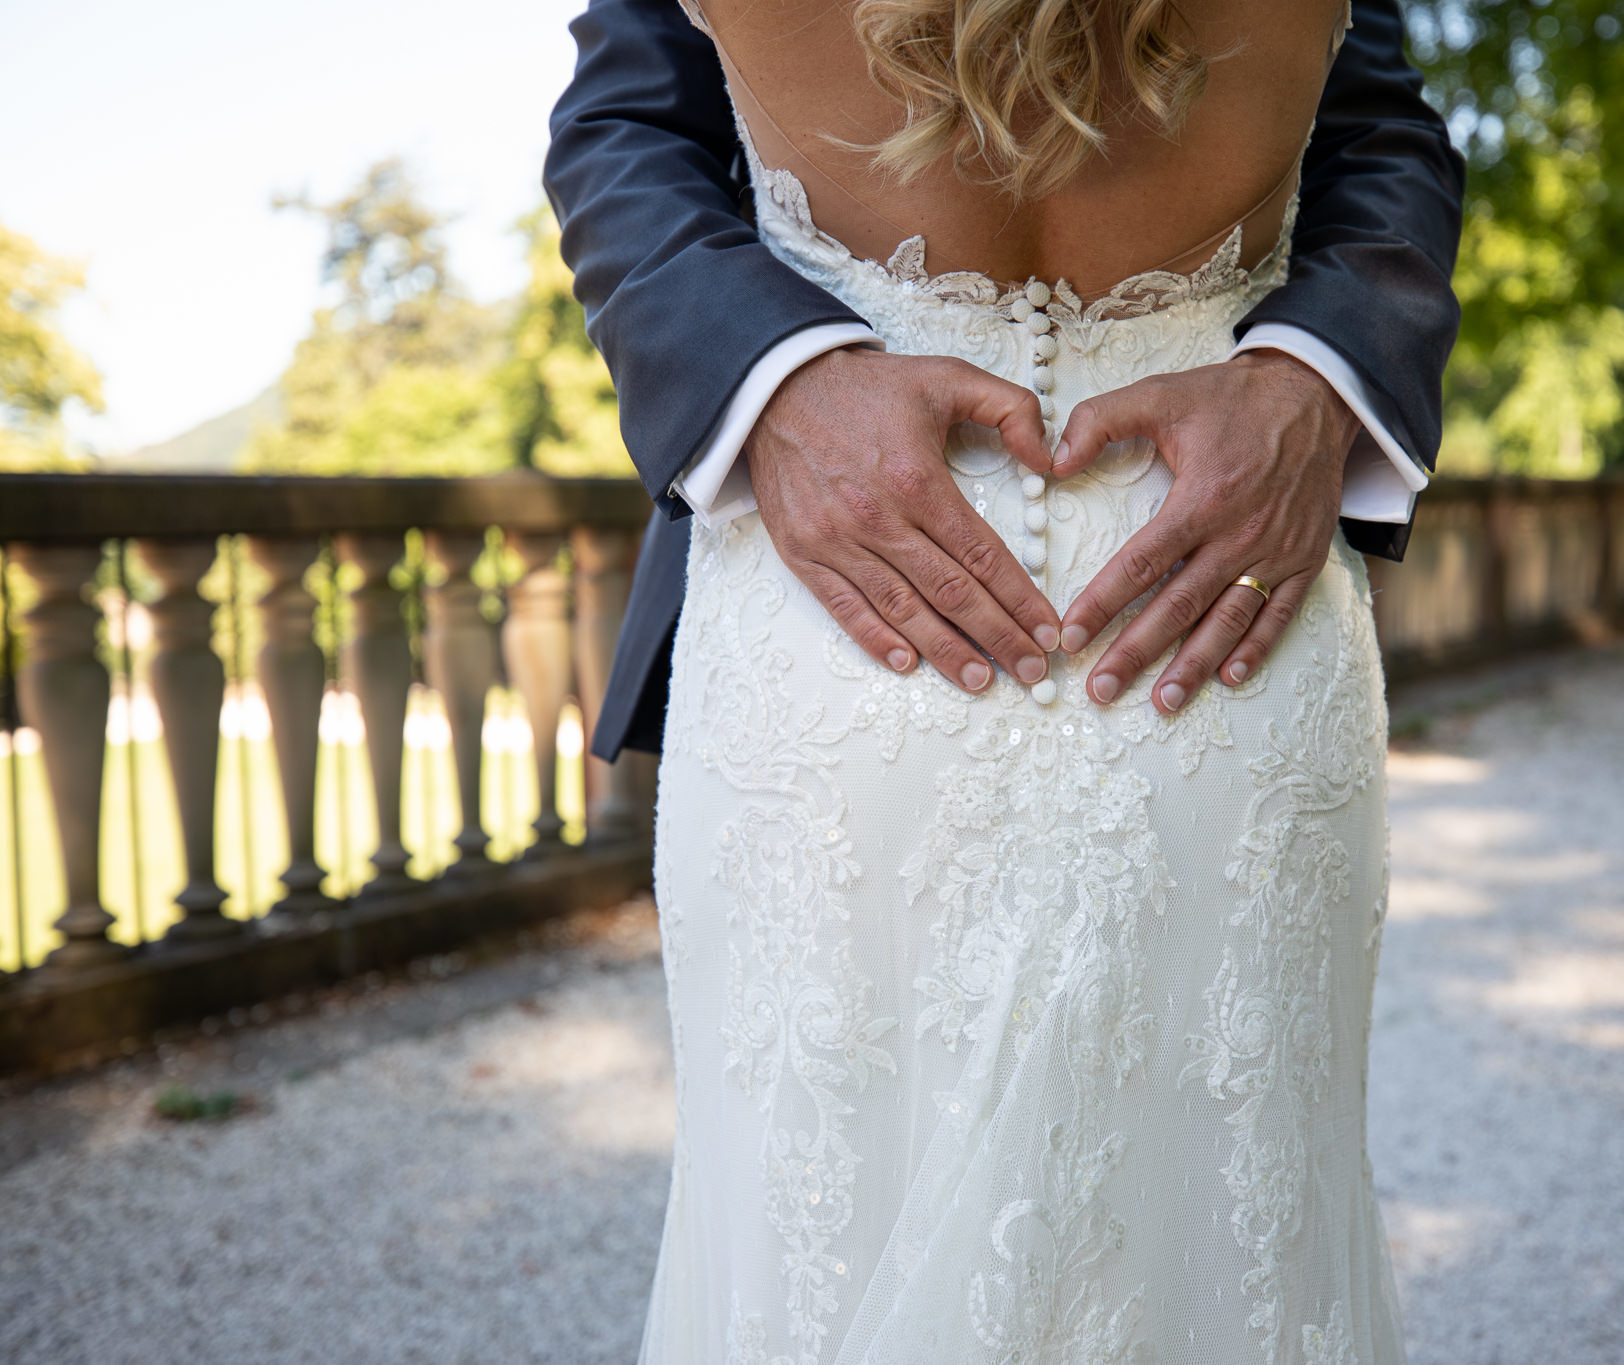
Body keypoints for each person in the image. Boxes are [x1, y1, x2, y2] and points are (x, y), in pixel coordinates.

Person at [544, 1, 1462, 1358]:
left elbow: (623, 130)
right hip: (1137, 624)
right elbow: (1389, 137)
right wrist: (777, 385)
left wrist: (1311, 383)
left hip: (1120, 609)